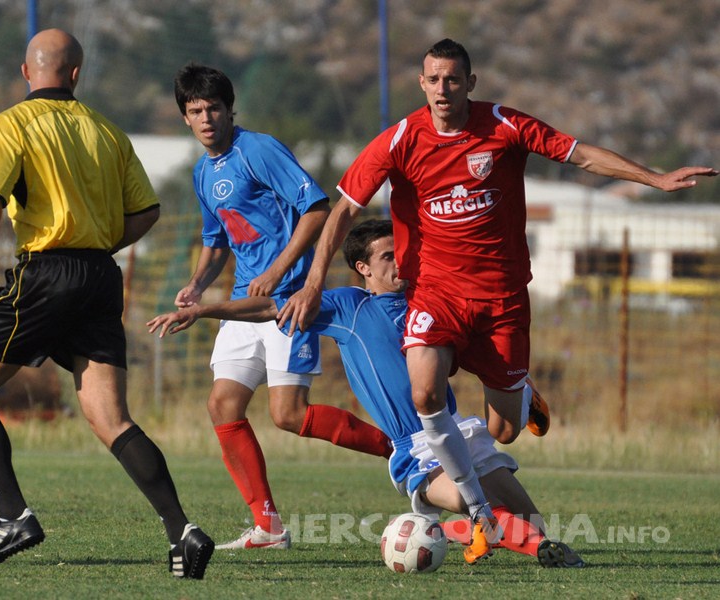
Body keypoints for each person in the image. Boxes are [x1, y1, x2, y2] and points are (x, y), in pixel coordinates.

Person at [276, 38, 717, 557]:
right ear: (422, 84)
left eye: (452, 79)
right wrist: (312, 283)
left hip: (501, 301)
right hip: (435, 294)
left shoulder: (504, 125)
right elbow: (345, 210)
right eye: (434, 79)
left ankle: (520, 395)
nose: (443, 88)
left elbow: (581, 155)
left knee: (503, 431)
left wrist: (654, 179)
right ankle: (478, 510)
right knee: (425, 394)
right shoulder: (399, 140)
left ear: (470, 82)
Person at [147, 219, 584, 567]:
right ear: (364, 268)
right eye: (389, 256)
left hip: (460, 429)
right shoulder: (348, 307)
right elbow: (271, 307)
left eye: (402, 253)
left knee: (531, 520)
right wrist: (204, 310)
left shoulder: (427, 302)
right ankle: (537, 548)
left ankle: (514, 412)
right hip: (416, 449)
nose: (400, 263)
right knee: (479, 505)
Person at [0, 29, 213, 579]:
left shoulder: (12, 122)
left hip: (46, 272)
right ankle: (181, 530)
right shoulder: (107, 131)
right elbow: (147, 211)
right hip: (99, 277)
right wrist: (97, 244)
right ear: (75, 74)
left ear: (27, 72)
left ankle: (13, 515)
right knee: (111, 418)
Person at [172, 64, 392, 550]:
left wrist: (277, 271)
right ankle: (267, 526)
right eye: (195, 110)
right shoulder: (203, 172)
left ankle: (398, 451)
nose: (206, 118)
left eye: (213, 108)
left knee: (288, 414)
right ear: (185, 117)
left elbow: (316, 209)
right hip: (244, 303)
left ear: (230, 110)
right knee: (222, 404)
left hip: (288, 299)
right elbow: (216, 240)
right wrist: (195, 285)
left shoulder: (258, 149)